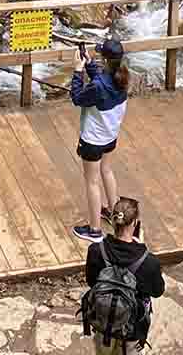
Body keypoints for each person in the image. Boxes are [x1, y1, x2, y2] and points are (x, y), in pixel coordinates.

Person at [80, 196, 163, 355]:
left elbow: (91, 282)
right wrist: (142, 248)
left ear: (112, 220)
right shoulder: (149, 262)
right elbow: (157, 291)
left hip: (102, 319)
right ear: (135, 223)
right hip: (132, 327)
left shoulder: (96, 250)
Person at [68, 33, 129, 242]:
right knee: (107, 170)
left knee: (92, 182)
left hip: (93, 140)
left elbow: (78, 98)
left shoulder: (99, 86)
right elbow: (101, 83)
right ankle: (115, 214)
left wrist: (77, 71)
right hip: (110, 136)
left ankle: (94, 230)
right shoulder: (123, 76)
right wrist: (89, 65)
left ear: (104, 59)